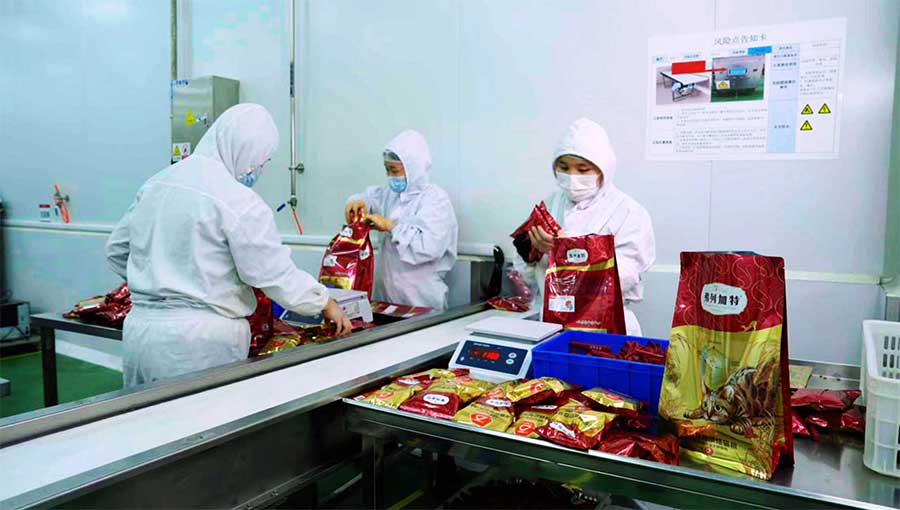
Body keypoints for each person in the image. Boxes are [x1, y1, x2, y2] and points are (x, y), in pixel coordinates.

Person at [106, 104, 351, 387]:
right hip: (200, 343)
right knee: (200, 413)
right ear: (247, 151)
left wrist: (158, 279)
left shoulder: (157, 183)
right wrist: (324, 302)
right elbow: (272, 274)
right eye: (261, 161)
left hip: (140, 332)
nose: (257, 170)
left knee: (144, 412)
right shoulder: (237, 200)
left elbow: (116, 251)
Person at [514, 118, 655, 335]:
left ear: (603, 169)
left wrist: (568, 250)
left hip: (605, 327)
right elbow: (531, 279)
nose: (572, 177)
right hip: (552, 325)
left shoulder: (628, 212)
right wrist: (530, 256)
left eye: (582, 169)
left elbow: (624, 277)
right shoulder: (548, 206)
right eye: (564, 168)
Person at [344, 130, 458, 311]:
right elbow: (370, 198)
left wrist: (391, 226)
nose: (390, 176)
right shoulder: (390, 195)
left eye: (394, 170)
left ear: (413, 168)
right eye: (387, 170)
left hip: (422, 300)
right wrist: (358, 202)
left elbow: (429, 247)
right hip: (386, 298)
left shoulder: (435, 200)